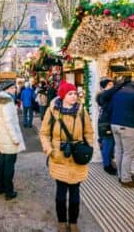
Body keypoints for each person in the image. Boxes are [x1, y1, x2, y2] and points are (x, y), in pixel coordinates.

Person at [40, 81, 94, 232]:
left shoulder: (82, 111)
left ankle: (74, 222)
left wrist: (89, 148)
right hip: (59, 156)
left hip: (77, 156)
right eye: (70, 93)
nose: (74, 96)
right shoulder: (52, 111)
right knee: (61, 195)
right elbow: (44, 133)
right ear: (63, 95)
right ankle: (62, 222)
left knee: (76, 194)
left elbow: (88, 132)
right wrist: (49, 150)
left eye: (75, 93)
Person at [109, 76, 134, 187]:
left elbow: (110, 108)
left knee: (119, 150)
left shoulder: (118, 92)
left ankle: (120, 175)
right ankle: (126, 179)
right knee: (127, 153)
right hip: (127, 126)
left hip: (114, 124)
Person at [0, 81, 25, 200]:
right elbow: (9, 122)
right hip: (9, 138)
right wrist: (15, 138)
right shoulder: (8, 102)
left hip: (1, 136)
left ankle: (0, 187)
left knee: (2, 164)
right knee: (9, 166)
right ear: (8, 89)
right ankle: (8, 191)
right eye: (13, 88)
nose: (15, 90)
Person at [96, 77, 117, 175]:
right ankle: (107, 165)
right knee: (107, 144)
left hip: (106, 121)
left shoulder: (108, 95)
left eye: (113, 84)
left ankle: (108, 162)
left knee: (109, 144)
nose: (112, 86)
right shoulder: (103, 96)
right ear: (104, 87)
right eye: (109, 85)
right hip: (105, 123)